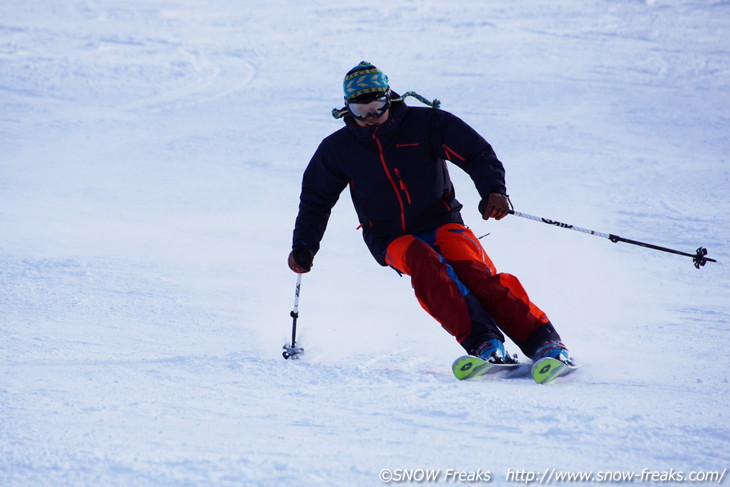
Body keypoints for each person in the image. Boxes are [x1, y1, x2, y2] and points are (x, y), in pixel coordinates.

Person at [288, 61, 574, 366]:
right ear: (347, 109)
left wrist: (494, 191)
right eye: (361, 112)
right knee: (425, 264)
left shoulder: (427, 124)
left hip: (442, 220)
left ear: (390, 98)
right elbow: (316, 200)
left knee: (473, 274)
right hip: (388, 236)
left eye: (377, 108)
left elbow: (477, 153)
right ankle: (484, 344)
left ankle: (545, 343)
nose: (371, 118)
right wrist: (304, 246)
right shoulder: (337, 149)